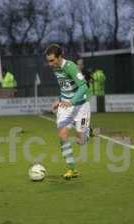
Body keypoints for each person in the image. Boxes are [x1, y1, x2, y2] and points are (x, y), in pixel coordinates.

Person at [46, 44, 90, 179]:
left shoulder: (70, 67)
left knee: (81, 140)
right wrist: (59, 100)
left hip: (81, 106)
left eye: (52, 60)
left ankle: (87, 131)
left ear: (60, 57)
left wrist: (72, 101)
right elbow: (65, 87)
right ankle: (72, 169)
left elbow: (84, 87)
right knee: (62, 134)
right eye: (48, 60)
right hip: (65, 106)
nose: (50, 64)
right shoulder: (55, 68)